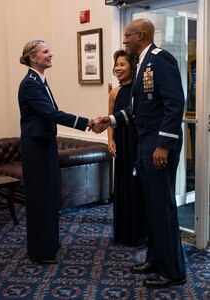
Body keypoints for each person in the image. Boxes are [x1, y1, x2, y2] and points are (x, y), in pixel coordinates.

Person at [95, 19, 186, 288]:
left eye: (127, 35)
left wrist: (163, 145)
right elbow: (136, 110)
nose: (124, 40)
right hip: (144, 144)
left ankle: (173, 270)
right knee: (152, 206)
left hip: (158, 145)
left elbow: (174, 104)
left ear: (141, 35)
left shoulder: (161, 60)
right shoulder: (143, 64)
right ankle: (156, 259)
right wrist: (109, 121)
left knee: (163, 206)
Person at [18, 40, 100, 264]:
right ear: (33, 58)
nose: (50, 55)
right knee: (39, 198)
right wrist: (88, 122)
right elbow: (53, 114)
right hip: (36, 147)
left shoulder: (39, 80)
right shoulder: (30, 84)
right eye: (46, 52)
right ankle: (40, 251)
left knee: (49, 194)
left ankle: (49, 241)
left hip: (45, 144)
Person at [108, 50, 146, 246]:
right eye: (116, 64)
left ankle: (139, 232)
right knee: (122, 184)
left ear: (132, 67)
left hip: (137, 142)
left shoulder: (139, 90)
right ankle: (123, 232)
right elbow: (110, 120)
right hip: (121, 143)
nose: (118, 68)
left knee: (137, 186)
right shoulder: (114, 92)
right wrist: (110, 141)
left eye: (122, 64)